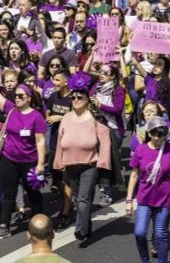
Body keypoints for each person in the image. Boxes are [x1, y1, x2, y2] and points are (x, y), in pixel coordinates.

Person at [0, 76, 46, 241]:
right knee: (8, 194)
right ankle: (4, 226)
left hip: (29, 161)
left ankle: (39, 224)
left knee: (33, 193)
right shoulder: (10, 109)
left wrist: (40, 164)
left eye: (21, 96)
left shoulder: (36, 117)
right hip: (9, 159)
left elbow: (40, 142)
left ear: (28, 98)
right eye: (16, 95)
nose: (17, 98)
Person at [52, 78, 111, 242]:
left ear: (87, 100)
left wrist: (103, 163)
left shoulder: (94, 117)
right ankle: (86, 224)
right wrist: (58, 162)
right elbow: (59, 142)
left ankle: (80, 230)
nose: (76, 100)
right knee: (79, 200)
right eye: (73, 98)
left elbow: (105, 140)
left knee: (83, 199)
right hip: (70, 165)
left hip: (89, 165)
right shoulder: (66, 117)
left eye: (80, 98)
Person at [126, 116, 170, 263]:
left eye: (163, 134)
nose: (159, 138)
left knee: (160, 235)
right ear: (149, 133)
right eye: (156, 134)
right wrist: (129, 200)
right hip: (145, 198)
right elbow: (134, 176)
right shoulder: (141, 150)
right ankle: (145, 260)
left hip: (165, 199)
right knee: (139, 233)